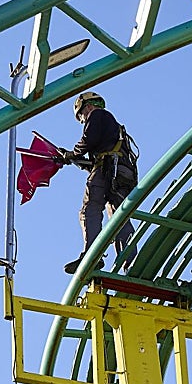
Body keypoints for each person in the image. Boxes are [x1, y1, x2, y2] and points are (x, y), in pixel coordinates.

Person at [58, 92, 138, 274]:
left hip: (108, 171)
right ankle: (130, 263)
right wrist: (74, 159)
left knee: (90, 210)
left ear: (87, 107)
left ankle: (91, 255)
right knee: (119, 218)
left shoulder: (96, 115)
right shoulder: (112, 125)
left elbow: (88, 141)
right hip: (120, 173)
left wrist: (73, 153)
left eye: (81, 117)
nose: (83, 120)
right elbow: (97, 158)